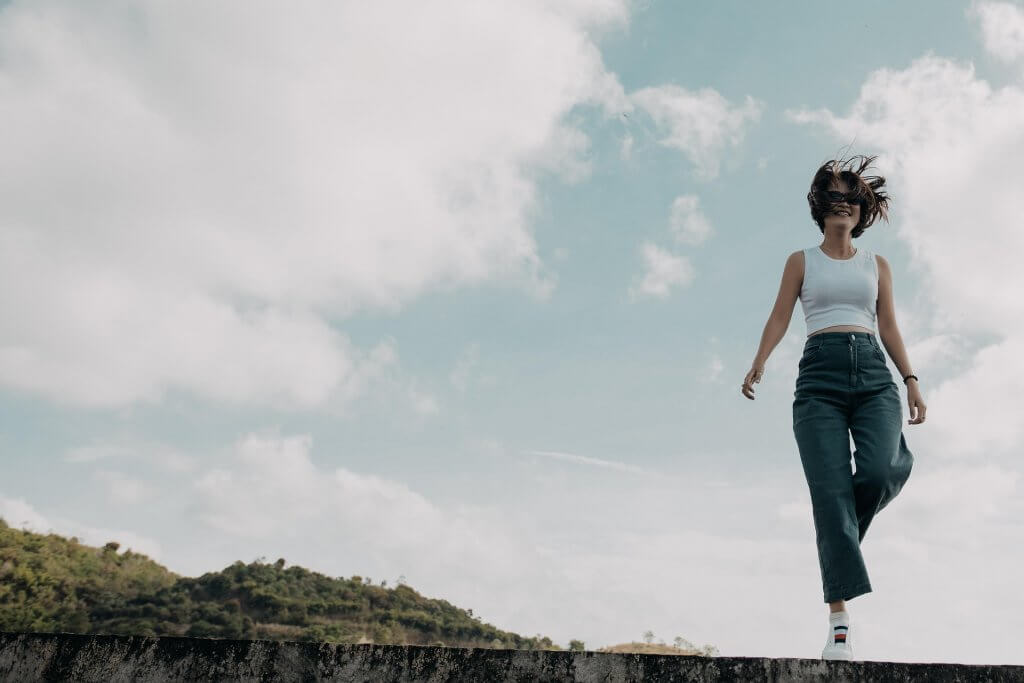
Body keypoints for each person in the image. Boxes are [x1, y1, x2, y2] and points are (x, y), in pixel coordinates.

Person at [740, 154, 927, 661]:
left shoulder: (877, 265)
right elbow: (780, 317)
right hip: (818, 376)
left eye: (851, 198)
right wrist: (759, 361)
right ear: (821, 208)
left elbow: (889, 327)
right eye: (834, 198)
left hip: (872, 372)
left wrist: (910, 379)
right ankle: (839, 619)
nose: (842, 205)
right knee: (829, 494)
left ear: (861, 210)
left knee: (882, 469)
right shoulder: (801, 260)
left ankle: (838, 542)